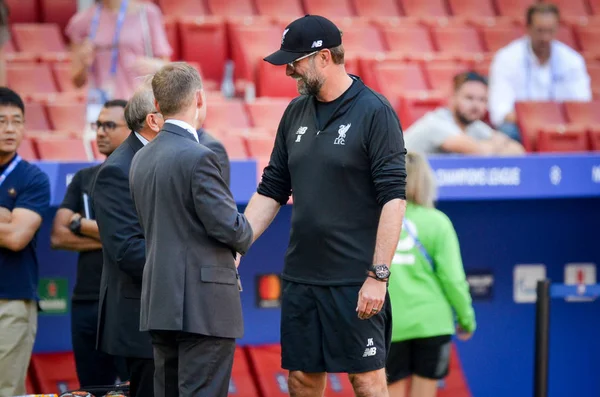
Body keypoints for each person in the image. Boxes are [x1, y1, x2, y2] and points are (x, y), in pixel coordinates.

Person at [241, 15, 407, 397]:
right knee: (301, 379)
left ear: (324, 58)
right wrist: (237, 245)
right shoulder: (294, 112)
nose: (288, 71)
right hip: (302, 276)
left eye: (294, 62)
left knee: (366, 380)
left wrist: (378, 276)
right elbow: (272, 189)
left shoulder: (375, 112)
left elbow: (393, 200)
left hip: (355, 277)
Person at [129, 62, 253, 397]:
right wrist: (247, 228)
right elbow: (230, 227)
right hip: (203, 305)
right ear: (199, 98)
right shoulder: (201, 156)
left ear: (158, 104)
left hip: (160, 301)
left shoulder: (140, 157)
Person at [50, 99, 130, 388]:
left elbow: (144, 234)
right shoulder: (84, 178)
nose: (100, 132)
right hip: (86, 301)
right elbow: (58, 236)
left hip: (126, 302)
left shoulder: (142, 175)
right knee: (92, 389)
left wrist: (81, 224)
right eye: (98, 125)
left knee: (137, 387)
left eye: (110, 125)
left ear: (132, 128)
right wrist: (117, 239)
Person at [91, 84, 163, 397]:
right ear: (154, 120)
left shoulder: (165, 157)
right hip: (142, 321)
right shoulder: (118, 170)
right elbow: (129, 251)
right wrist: (190, 263)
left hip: (169, 314)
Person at [385, 151, 476, 397]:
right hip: (432, 323)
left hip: (388, 325)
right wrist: (466, 320)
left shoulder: (377, 220)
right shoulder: (437, 222)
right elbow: (453, 279)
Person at [0, 87, 51, 396]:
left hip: (11, 300)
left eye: (16, 121)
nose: (9, 128)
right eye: (1, 120)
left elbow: (18, 237)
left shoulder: (33, 178)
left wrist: (11, 223)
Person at [488, 2, 591, 141]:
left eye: (550, 31)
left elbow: (581, 106)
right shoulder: (507, 58)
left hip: (562, 125)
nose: (545, 38)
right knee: (506, 132)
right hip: (520, 125)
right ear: (528, 28)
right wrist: (534, 119)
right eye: (540, 31)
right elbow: (500, 112)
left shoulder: (572, 60)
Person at [66, 0, 172, 112]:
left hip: (139, 106)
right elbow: (76, 81)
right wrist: (84, 63)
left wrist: (155, 65)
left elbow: (167, 67)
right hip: (102, 108)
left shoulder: (147, 13)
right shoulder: (81, 21)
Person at [405, 71, 525, 155]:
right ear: (452, 98)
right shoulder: (436, 122)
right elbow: (478, 152)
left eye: (482, 100)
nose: (476, 105)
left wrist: (487, 146)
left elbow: (518, 150)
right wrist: (495, 146)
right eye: (469, 98)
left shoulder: (474, 125)